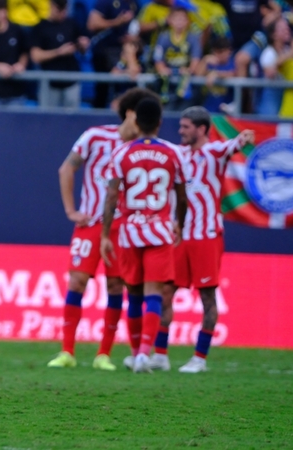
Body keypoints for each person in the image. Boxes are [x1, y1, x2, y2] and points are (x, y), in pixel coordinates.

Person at [48, 87, 160, 371]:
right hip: (90, 224)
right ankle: (67, 351)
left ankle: (104, 354)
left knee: (115, 286)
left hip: (123, 228)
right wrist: (71, 211)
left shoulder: (142, 148)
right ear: (131, 113)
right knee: (77, 282)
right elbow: (66, 169)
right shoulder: (95, 136)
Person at [147, 107, 254, 373]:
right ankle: (160, 354)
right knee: (166, 292)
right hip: (180, 237)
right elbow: (158, 144)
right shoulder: (177, 153)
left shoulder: (214, 152)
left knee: (207, 296)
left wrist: (244, 137)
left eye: (186, 127)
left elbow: (233, 145)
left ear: (202, 129)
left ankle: (200, 358)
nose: (181, 131)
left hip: (206, 236)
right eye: (181, 126)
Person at [101, 97, 188, 374]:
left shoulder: (122, 153)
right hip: (160, 231)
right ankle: (143, 355)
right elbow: (182, 196)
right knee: (155, 294)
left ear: (136, 122)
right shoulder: (174, 153)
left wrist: (105, 234)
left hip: (129, 232)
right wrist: (179, 224)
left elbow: (112, 196)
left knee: (134, 295)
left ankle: (135, 351)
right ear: (160, 123)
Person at [30, 0, 89, 108]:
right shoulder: (40, 27)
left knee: (72, 119)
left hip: (71, 80)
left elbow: (83, 51)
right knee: (48, 120)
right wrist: (59, 52)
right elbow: (36, 56)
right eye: (59, 9)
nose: (62, 13)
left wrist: (83, 45)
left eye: (64, 9)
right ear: (51, 6)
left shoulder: (72, 24)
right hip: (50, 82)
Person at [87, 0, 138, 108]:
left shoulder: (134, 4)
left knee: (126, 90)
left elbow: (136, 27)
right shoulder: (105, 2)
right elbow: (92, 24)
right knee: (102, 90)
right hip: (103, 52)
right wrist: (117, 22)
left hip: (124, 53)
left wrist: (132, 39)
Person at [153, 5, 202, 110]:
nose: (180, 22)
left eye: (183, 19)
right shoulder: (163, 37)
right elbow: (158, 59)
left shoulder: (193, 38)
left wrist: (189, 70)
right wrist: (163, 70)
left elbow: (196, 59)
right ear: (170, 20)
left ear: (188, 21)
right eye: (177, 19)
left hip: (187, 83)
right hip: (167, 84)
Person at [257, 17, 291, 116]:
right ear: (274, 35)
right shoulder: (268, 53)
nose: (287, 30)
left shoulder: (287, 49)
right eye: (282, 28)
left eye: (287, 28)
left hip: (285, 98)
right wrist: (289, 55)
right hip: (270, 99)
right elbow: (269, 73)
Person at [196, 36, 235, 113]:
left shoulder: (233, 62)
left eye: (221, 52)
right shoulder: (209, 63)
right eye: (216, 51)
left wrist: (216, 74)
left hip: (227, 110)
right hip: (208, 109)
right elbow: (197, 75)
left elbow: (234, 74)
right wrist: (204, 61)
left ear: (229, 51)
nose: (218, 55)